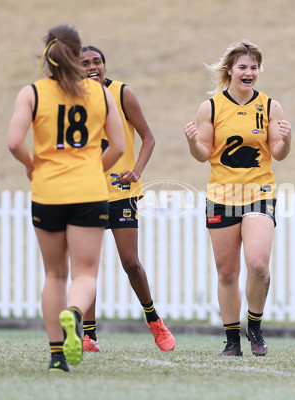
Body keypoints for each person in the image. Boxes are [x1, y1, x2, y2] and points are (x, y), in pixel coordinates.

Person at [7, 25, 126, 372]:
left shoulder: (32, 93)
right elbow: (118, 146)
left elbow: (14, 142)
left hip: (48, 191)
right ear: (78, 57)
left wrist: (32, 167)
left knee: (54, 275)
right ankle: (75, 313)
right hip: (89, 192)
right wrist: (91, 169)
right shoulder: (100, 93)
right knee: (84, 274)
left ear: (47, 55)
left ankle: (57, 354)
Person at [183, 41, 292, 356]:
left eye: (254, 67)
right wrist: (192, 142)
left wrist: (288, 138)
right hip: (222, 195)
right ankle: (232, 341)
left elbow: (278, 154)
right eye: (243, 67)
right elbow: (204, 154)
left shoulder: (271, 106)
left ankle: (255, 328)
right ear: (229, 70)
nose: (249, 73)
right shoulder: (211, 107)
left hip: (259, 192)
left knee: (258, 264)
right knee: (227, 272)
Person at [79, 45, 175, 352]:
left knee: (130, 262)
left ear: (105, 66)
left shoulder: (122, 94)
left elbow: (148, 137)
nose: (92, 66)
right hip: (85, 193)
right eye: (84, 63)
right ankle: (89, 335)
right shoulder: (71, 100)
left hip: (121, 192)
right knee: (86, 266)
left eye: (97, 62)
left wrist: (136, 171)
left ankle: (154, 321)